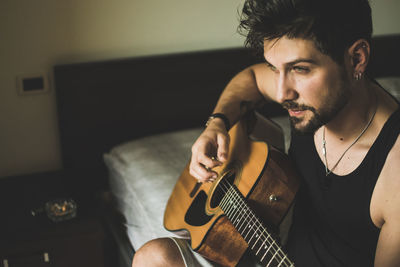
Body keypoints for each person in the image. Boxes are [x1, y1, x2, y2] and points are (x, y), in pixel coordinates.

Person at [132, 0, 400, 266]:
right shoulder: (311, 103)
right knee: (153, 257)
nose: (282, 93)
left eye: (300, 69)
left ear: (357, 58)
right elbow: (250, 79)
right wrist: (217, 123)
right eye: (274, 68)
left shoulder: (394, 173)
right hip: (276, 248)